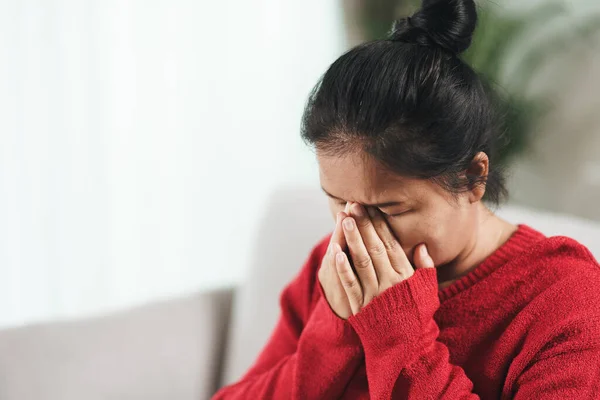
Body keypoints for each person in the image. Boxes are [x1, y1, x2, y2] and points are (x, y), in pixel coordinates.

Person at [212, 0, 600, 398]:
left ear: (472, 177)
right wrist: (335, 330)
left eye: (388, 209)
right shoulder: (332, 271)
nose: (356, 229)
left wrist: (400, 337)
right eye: (336, 200)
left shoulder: (563, 299)